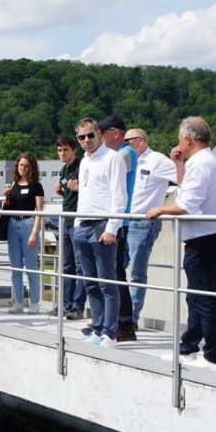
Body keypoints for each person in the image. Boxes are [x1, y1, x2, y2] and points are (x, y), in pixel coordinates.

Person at [146, 116, 216, 370]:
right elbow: (190, 190)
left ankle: (214, 356)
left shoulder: (201, 164)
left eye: (179, 138)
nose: (178, 142)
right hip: (213, 239)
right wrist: (178, 164)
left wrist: (159, 208)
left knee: (204, 300)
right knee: (196, 298)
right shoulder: (211, 161)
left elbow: (187, 205)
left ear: (188, 139)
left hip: (204, 243)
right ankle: (189, 346)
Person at [73, 118, 127, 347]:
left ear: (99, 134)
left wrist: (112, 228)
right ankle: (97, 327)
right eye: (81, 137)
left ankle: (110, 333)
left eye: (90, 135)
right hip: (82, 225)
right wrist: (76, 225)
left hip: (102, 224)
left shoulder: (113, 158)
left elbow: (119, 196)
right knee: (90, 283)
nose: (86, 140)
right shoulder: (84, 161)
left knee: (107, 282)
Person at [124, 128, 177, 328]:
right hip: (124, 220)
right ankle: (120, 315)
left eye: (128, 140)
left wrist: (162, 208)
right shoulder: (127, 161)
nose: (125, 144)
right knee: (117, 269)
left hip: (144, 222)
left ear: (141, 141)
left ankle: (132, 318)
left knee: (137, 271)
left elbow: (185, 179)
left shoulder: (158, 160)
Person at [98, 115, 139, 341]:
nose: (100, 137)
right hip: (112, 220)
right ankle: (114, 322)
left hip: (117, 222)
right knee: (110, 273)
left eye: (103, 133)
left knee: (115, 274)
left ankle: (124, 323)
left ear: (115, 132)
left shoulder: (123, 154)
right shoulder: (120, 154)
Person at [4, 152, 45, 314]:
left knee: (31, 266)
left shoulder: (36, 186)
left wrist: (34, 232)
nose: (23, 168)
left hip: (29, 224)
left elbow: (39, 211)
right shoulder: (14, 184)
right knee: (15, 267)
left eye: (27, 165)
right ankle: (18, 302)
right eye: (21, 165)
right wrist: (7, 194)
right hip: (13, 224)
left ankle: (34, 302)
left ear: (32, 167)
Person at [53, 136, 85, 320]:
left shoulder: (81, 167)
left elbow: (88, 189)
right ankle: (65, 305)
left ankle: (78, 306)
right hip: (65, 221)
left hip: (78, 221)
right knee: (66, 266)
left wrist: (77, 187)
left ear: (74, 150)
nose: (62, 153)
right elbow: (67, 191)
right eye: (59, 150)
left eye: (65, 150)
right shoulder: (64, 169)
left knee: (81, 267)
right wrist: (61, 190)